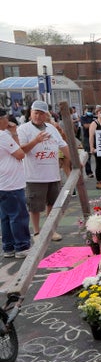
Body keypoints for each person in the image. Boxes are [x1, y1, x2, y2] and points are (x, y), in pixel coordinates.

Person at [17, 100, 69, 241]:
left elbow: (63, 145)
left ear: (46, 115)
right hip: (34, 175)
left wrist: (74, 161)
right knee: (35, 207)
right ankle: (37, 232)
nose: (38, 116)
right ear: (30, 113)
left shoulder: (51, 128)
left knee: (52, 204)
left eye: (41, 114)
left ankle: (50, 230)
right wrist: (35, 141)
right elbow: (22, 151)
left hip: (53, 173)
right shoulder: (23, 129)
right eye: (35, 113)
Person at [0, 111, 31, 259]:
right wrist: (13, 133)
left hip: (3, 181)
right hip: (11, 181)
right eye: (6, 117)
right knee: (18, 215)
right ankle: (22, 246)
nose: (8, 120)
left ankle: (8, 247)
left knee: (6, 216)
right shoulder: (3, 135)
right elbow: (20, 153)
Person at [80, 106, 95, 178]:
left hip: (96, 137)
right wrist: (95, 124)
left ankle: (100, 170)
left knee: (98, 154)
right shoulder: (83, 117)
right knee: (88, 155)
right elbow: (85, 126)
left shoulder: (94, 117)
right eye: (87, 110)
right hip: (87, 137)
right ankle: (89, 172)